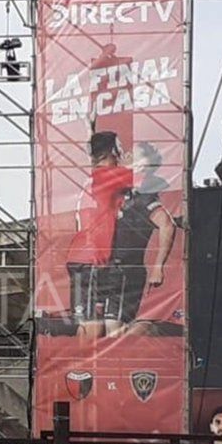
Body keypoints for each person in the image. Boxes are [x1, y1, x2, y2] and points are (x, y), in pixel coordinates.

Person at [106, 141, 181, 338]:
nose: (127, 156)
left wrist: (158, 266)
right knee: (100, 330)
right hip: (108, 269)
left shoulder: (145, 197)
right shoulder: (121, 191)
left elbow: (167, 225)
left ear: (142, 166)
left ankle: (154, 329)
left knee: (115, 334)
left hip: (127, 270)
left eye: (133, 155)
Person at [65, 131, 134, 340]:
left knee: (86, 320)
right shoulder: (109, 175)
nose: (122, 154)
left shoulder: (90, 179)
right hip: (94, 258)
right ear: (112, 151)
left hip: (78, 256)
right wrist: (132, 164)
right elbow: (147, 179)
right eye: (120, 150)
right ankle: (94, 366)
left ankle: (80, 369)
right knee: (95, 324)